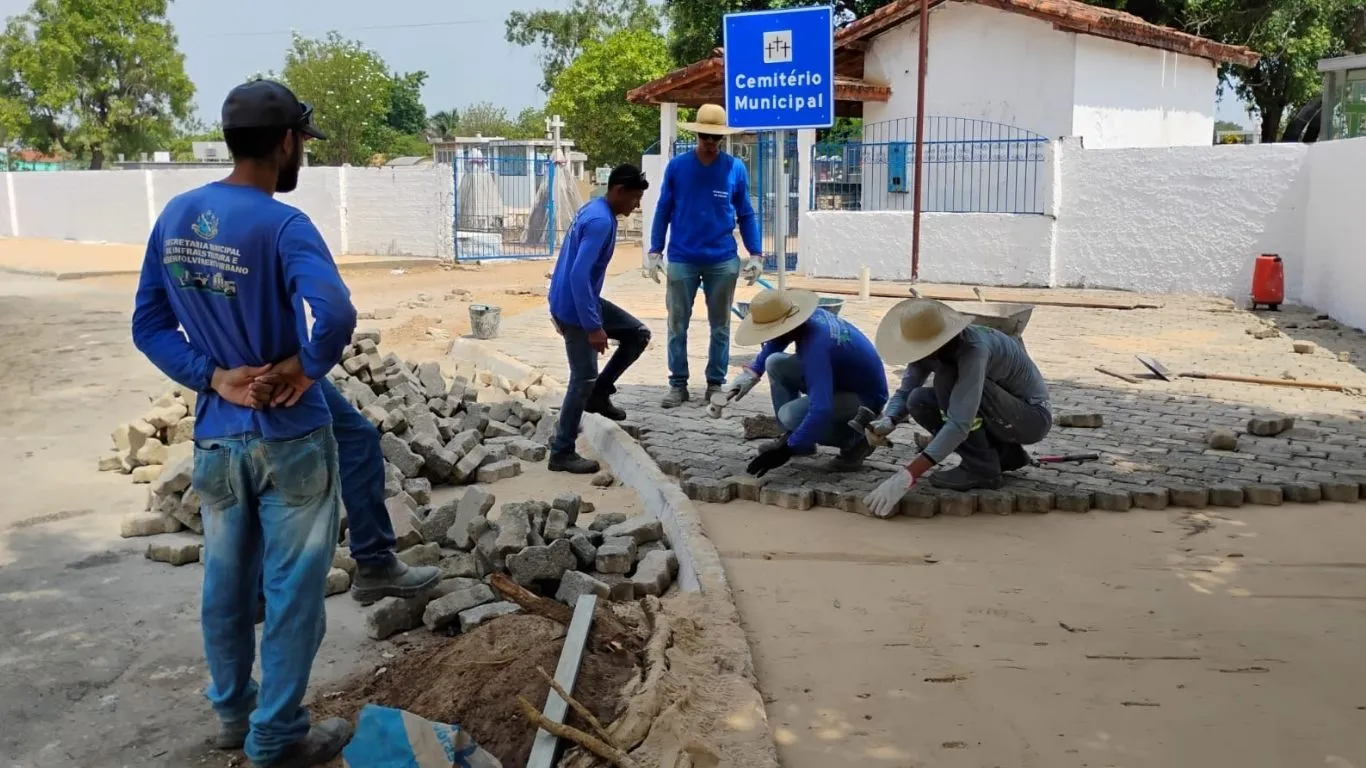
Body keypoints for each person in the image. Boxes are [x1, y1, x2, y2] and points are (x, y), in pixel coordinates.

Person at [131, 79, 355, 767]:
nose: (302, 157)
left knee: (224, 582)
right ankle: (278, 736)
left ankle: (232, 710)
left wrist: (214, 375)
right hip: (290, 440)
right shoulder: (283, 224)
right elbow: (336, 313)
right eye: (302, 145)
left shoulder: (175, 216)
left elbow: (149, 324)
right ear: (286, 142)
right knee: (292, 592)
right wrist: (306, 368)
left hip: (220, 437)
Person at [864, 299, 1052, 518]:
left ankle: (981, 468)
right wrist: (890, 419)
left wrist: (908, 474)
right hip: (1003, 414)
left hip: (1031, 418)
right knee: (919, 400)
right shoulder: (930, 352)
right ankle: (1006, 455)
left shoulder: (974, 350)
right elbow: (906, 391)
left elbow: (960, 422)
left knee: (948, 382)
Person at [646, 103, 764, 409]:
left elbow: (746, 213)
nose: (710, 143)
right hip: (683, 256)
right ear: (697, 135)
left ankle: (715, 382)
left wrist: (756, 253)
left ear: (722, 139)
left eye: (716, 139)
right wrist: (654, 249)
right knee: (677, 324)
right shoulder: (677, 167)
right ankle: (678, 384)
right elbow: (663, 209)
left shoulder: (734, 168)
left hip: (722, 259)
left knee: (720, 325)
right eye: (704, 137)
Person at [547, 164, 652, 473]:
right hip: (574, 306)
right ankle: (561, 451)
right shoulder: (600, 221)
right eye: (634, 199)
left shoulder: (595, 210)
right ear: (618, 191)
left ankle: (600, 394)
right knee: (581, 378)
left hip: (578, 298)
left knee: (637, 334)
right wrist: (593, 326)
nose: (636, 206)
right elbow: (579, 275)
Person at [722, 289, 888, 476]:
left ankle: (856, 440)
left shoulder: (816, 348)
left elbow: (821, 409)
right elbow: (777, 341)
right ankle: (801, 442)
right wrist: (751, 374)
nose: (768, 336)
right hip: (844, 379)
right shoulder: (809, 318)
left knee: (790, 415)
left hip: (865, 398)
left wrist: (785, 451)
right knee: (774, 362)